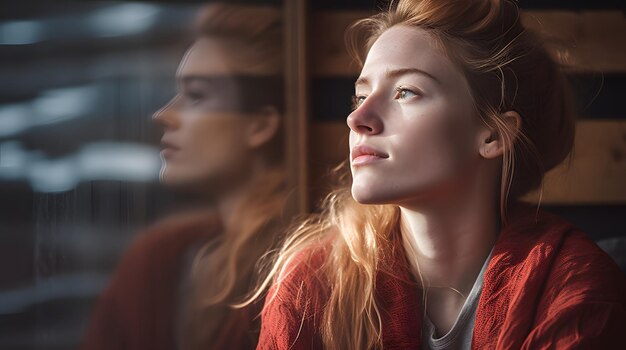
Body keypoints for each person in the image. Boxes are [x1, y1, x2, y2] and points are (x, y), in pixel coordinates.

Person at [252, 0, 626, 349]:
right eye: (360, 96)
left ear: (493, 134)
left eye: (405, 92)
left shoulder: (574, 287)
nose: (357, 119)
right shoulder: (312, 285)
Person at [82, 4, 287, 350]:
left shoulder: (293, 271)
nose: (164, 115)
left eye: (196, 96)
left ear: (261, 124)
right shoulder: (162, 256)